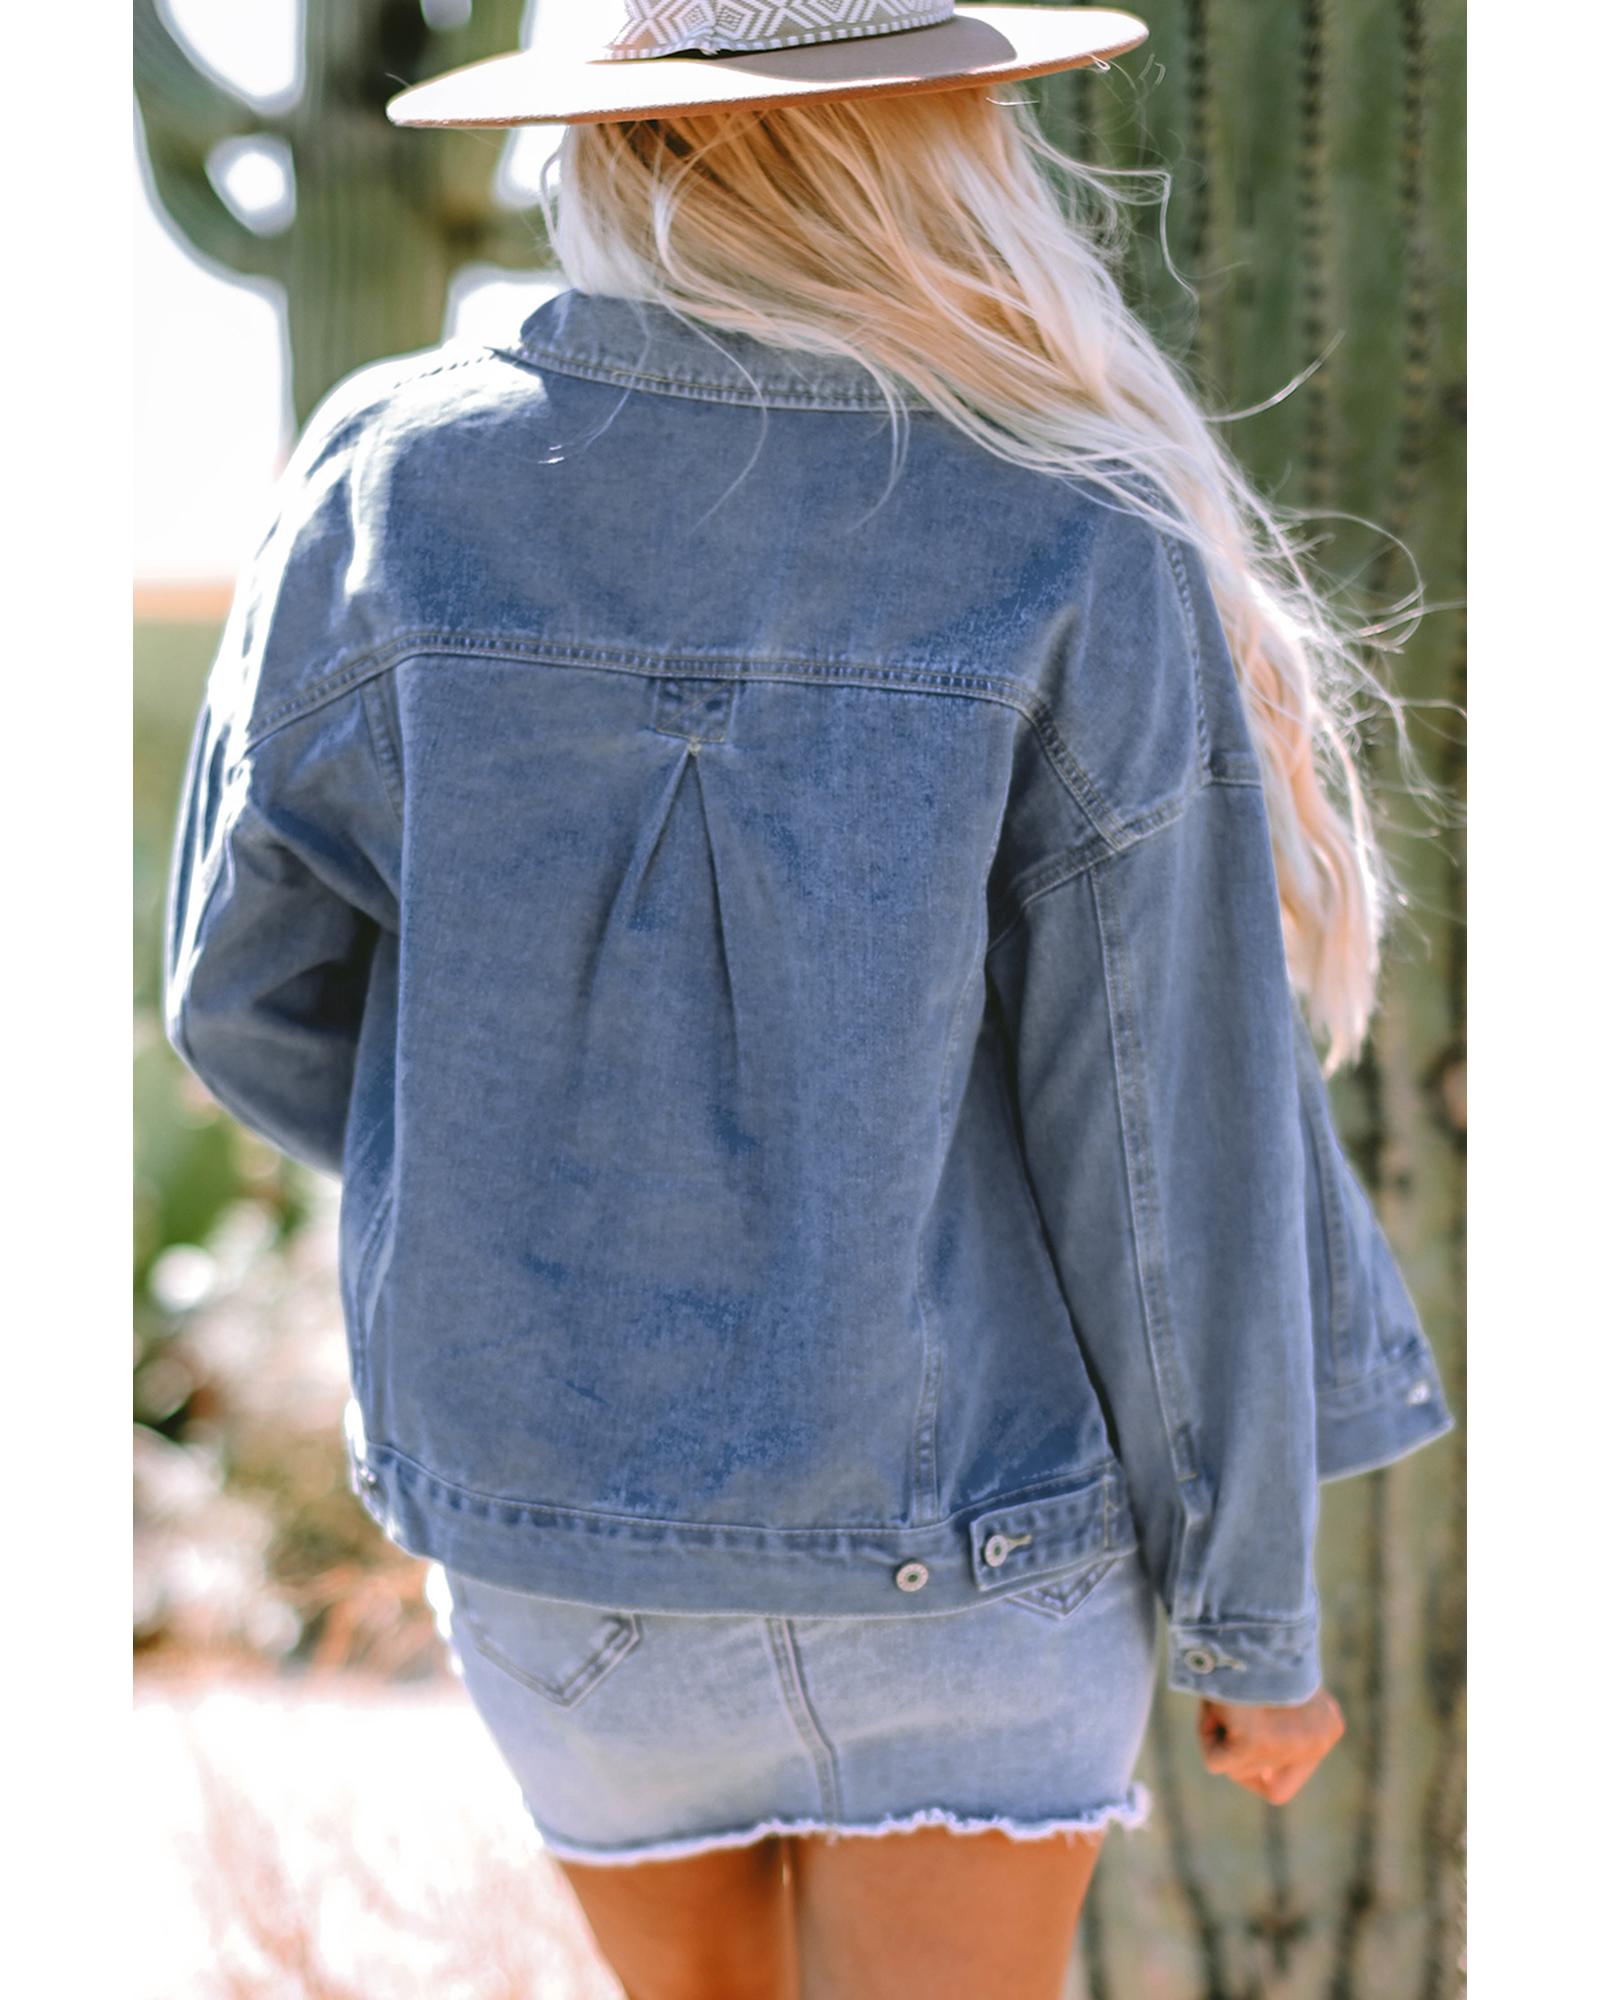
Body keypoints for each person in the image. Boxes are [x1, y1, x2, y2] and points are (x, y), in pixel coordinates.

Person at [162, 6, 1455, 1995]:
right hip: (977, 1549)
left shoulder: (393, 477)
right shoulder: (1069, 518)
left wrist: (541, 1173)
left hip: (567, 1565)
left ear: (614, 143)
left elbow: (242, 990)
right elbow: (1162, 1124)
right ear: (942, 145)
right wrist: (1251, 1622)